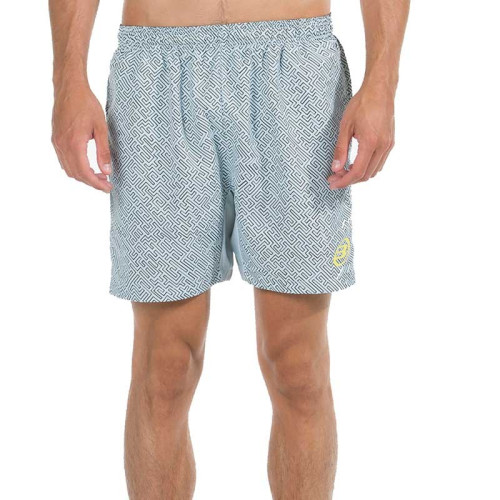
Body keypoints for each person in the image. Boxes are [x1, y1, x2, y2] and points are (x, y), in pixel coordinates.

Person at [49, 0, 409, 497]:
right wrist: (68, 79)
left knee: (298, 365)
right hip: (155, 67)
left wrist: (382, 81)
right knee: (164, 368)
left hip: (294, 68)